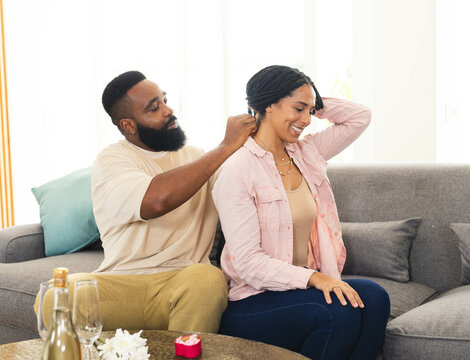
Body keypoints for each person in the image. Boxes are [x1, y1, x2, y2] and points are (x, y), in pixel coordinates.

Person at [36, 70, 257, 333]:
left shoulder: (197, 158)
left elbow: (250, 176)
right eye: (154, 108)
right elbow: (156, 201)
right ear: (128, 125)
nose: (168, 110)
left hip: (181, 281)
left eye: (164, 100)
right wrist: (224, 147)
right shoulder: (112, 160)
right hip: (121, 285)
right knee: (57, 294)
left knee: (207, 279)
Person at [212, 65, 390, 360]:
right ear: (268, 104)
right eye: (299, 108)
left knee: (374, 298)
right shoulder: (237, 169)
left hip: (297, 292)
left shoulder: (306, 152)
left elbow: (360, 117)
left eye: (311, 110)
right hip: (254, 299)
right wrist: (315, 279)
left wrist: (314, 100)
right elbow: (246, 263)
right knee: (336, 314)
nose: (306, 120)